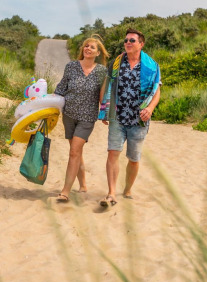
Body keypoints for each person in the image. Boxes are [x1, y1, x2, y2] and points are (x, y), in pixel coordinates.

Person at [99, 28, 161, 207]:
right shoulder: (116, 63)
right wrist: (104, 109)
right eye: (126, 40)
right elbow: (108, 84)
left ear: (141, 44)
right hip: (118, 116)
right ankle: (111, 193)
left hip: (139, 119)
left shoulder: (151, 66)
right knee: (112, 153)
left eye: (132, 40)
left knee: (133, 159)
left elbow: (157, 92)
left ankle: (127, 189)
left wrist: (150, 108)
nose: (127, 43)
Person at [53, 35, 109, 203]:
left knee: (73, 152)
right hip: (69, 114)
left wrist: (105, 114)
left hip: (87, 117)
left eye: (92, 47)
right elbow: (61, 88)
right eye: (86, 46)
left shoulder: (101, 71)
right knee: (76, 152)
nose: (88, 49)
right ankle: (83, 184)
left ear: (98, 52)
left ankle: (65, 191)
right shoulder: (71, 67)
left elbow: (103, 95)